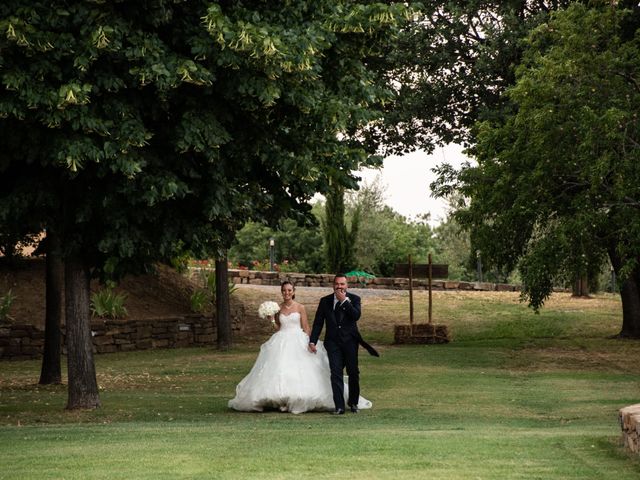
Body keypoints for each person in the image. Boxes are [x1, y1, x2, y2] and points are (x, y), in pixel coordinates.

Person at [228, 280, 371, 414]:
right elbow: (278, 328)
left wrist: (310, 341)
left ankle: (349, 402)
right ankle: (280, 399)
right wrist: (271, 320)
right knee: (280, 369)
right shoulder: (278, 308)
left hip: (298, 339)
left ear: (293, 291)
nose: (287, 293)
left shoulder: (300, 307)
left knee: (314, 371)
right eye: (284, 290)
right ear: (281, 292)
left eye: (289, 290)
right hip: (281, 341)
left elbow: (307, 326)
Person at [309, 273, 378, 415]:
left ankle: (353, 403)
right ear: (333, 285)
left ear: (347, 285)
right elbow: (318, 323)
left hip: (350, 342)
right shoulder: (325, 301)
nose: (339, 286)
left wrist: (344, 302)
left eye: (342, 284)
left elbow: (356, 315)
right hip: (333, 343)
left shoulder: (354, 299)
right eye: (337, 284)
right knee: (336, 373)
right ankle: (339, 406)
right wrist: (312, 341)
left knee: (353, 373)